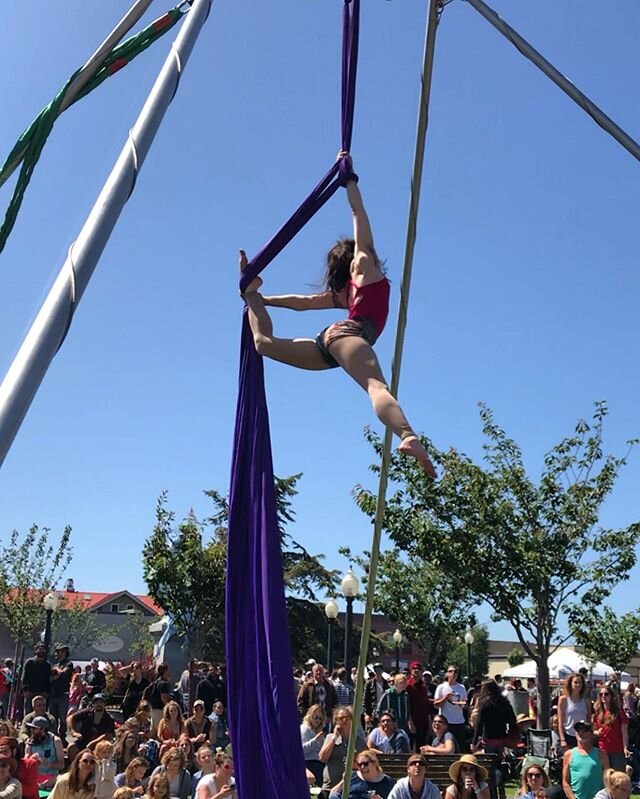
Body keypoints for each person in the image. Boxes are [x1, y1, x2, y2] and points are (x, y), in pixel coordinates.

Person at [240, 163, 436, 479]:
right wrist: (350, 180)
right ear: (355, 258)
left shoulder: (344, 292)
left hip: (331, 342)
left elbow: (302, 304)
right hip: (350, 336)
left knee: (264, 344)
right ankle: (408, 435)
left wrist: (260, 297)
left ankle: (250, 296)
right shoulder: (366, 268)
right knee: (376, 386)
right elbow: (359, 216)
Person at [319, 706, 366, 792]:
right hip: (329, 787)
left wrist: (355, 765)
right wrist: (335, 737)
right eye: (341, 718)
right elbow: (322, 758)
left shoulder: (359, 742)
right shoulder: (330, 738)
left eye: (347, 718)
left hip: (351, 788)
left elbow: (367, 762)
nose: (344, 721)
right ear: (336, 721)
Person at [562, 720, 608, 799]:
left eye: (585, 730)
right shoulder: (568, 754)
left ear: (591, 734)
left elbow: (607, 780)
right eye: (578, 730)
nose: (581, 733)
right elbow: (565, 782)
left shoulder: (602, 754)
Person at [471, 679, 518, 756]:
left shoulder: (484, 703)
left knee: (490, 760)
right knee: (499, 759)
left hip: (488, 737)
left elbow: (479, 723)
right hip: (501, 736)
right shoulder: (504, 702)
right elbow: (512, 719)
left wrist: (474, 741)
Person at [592, 686, 630, 771]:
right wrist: (596, 732)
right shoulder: (598, 713)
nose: (603, 696)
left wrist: (625, 747)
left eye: (606, 694)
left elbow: (624, 731)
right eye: (601, 694)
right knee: (605, 777)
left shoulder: (618, 712)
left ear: (611, 696)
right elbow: (593, 730)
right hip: (603, 749)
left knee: (618, 777)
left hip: (617, 749)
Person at [329, 751, 395, 799]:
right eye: (359, 765)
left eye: (365, 764)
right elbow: (333, 794)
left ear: (374, 763)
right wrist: (344, 780)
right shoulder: (352, 776)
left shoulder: (388, 782)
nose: (362, 767)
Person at [23, 716, 64, 790]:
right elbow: (25, 764)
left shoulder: (56, 741)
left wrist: (50, 765)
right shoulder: (29, 743)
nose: (31, 730)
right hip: (34, 778)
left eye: (34, 728)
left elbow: (61, 765)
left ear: (43, 729)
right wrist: (30, 760)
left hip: (51, 779)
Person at [434, 666, 468, 753]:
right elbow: (436, 705)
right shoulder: (441, 687)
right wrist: (445, 698)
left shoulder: (462, 687)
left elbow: (465, 704)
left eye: (455, 671)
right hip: (445, 723)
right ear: (446, 673)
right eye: (450, 671)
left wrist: (462, 705)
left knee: (459, 748)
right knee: (445, 747)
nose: (453, 673)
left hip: (459, 722)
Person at [558, 674, 592, 752]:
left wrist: (590, 736)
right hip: (569, 735)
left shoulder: (586, 700)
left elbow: (589, 719)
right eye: (575, 682)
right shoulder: (563, 699)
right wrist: (562, 739)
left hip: (583, 736)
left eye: (580, 682)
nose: (578, 685)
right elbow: (561, 721)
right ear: (570, 684)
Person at [407, 662, 434, 750]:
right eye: (414, 669)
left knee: (423, 747)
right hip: (414, 722)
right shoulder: (408, 686)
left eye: (419, 669)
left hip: (424, 722)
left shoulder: (423, 687)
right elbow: (408, 706)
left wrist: (430, 724)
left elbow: (427, 706)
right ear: (411, 671)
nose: (417, 671)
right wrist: (410, 722)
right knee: (413, 748)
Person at [300, 704, 326, 787]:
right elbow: (302, 750)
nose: (318, 720)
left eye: (320, 719)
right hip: (309, 764)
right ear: (310, 715)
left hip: (319, 765)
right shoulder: (305, 729)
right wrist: (315, 741)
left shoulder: (318, 730)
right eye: (316, 717)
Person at [22, 645, 51, 716]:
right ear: (36, 651)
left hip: (42, 692)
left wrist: (47, 692)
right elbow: (25, 677)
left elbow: (48, 679)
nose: (41, 651)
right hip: (30, 691)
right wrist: (25, 690)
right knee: (28, 712)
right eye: (39, 649)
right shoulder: (29, 662)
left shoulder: (47, 665)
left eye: (43, 649)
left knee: (41, 712)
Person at [144, 665, 172, 735]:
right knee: (160, 732)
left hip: (153, 710)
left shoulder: (156, 682)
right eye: (168, 670)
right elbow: (164, 698)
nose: (169, 672)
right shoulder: (163, 684)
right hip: (160, 711)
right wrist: (170, 708)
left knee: (153, 731)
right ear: (164, 671)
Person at [364, 665, 389, 732]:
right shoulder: (369, 684)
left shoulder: (387, 684)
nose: (378, 672)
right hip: (372, 713)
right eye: (376, 670)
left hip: (384, 712)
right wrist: (366, 714)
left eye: (380, 670)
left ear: (382, 671)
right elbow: (365, 700)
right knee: (371, 733)